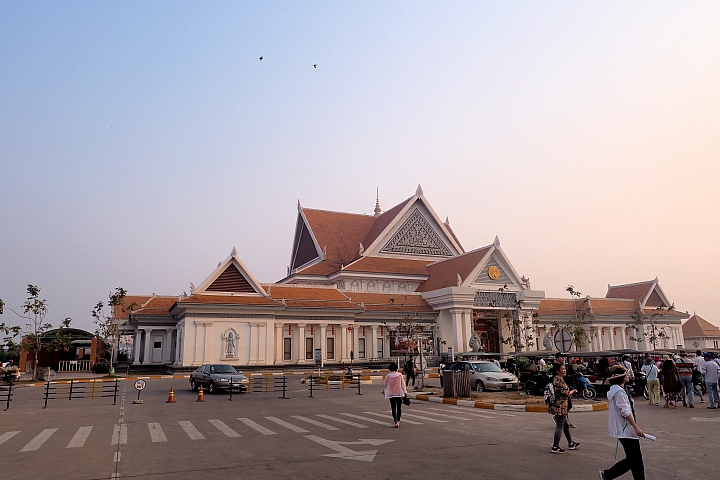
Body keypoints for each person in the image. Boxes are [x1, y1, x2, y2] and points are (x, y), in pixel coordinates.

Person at [598, 367, 646, 480]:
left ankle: (608, 474)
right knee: (635, 459)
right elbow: (625, 411)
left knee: (634, 459)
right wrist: (636, 427)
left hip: (624, 428)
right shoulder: (618, 392)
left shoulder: (618, 390)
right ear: (622, 378)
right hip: (626, 429)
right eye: (626, 375)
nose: (628, 376)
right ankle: (608, 474)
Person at [548, 363, 580, 453]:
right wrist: (573, 391)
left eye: (565, 369)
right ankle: (555, 446)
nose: (564, 370)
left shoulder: (558, 379)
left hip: (561, 406)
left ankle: (571, 443)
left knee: (565, 425)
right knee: (559, 427)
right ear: (557, 371)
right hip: (560, 406)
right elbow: (566, 393)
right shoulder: (558, 380)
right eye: (562, 369)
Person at [384, 362, 408, 427]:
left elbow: (385, 384)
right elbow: (403, 384)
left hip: (391, 394)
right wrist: (405, 392)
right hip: (399, 393)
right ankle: (399, 420)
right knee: (399, 408)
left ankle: (395, 421)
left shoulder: (387, 376)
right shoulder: (400, 375)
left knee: (393, 408)